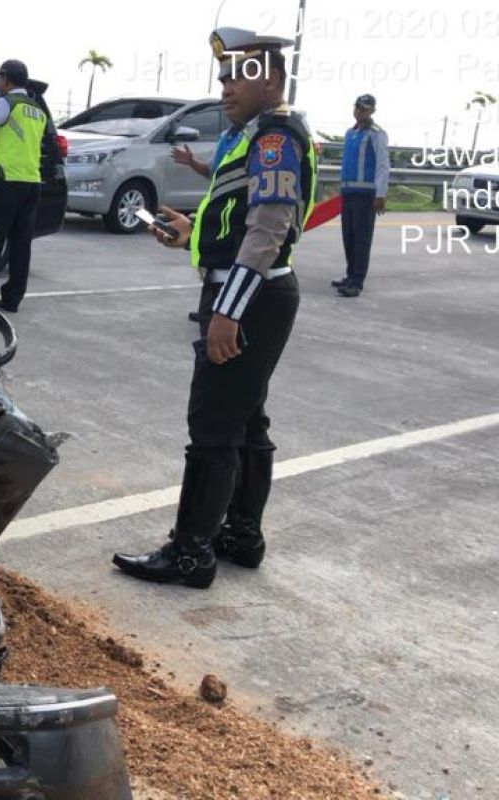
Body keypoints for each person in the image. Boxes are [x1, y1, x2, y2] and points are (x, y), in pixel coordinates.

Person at [112, 27, 318, 588]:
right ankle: (240, 535)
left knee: (212, 426)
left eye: (239, 75)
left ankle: (190, 554)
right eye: (224, 75)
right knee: (246, 418)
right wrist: (189, 231)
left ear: (271, 78)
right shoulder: (253, 135)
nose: (226, 85)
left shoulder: (274, 138)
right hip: (256, 292)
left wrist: (227, 311)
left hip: (250, 296)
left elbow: (269, 230)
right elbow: (238, 216)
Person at [0, 59, 46, 313]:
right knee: (20, 244)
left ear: (5, 78)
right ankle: (12, 298)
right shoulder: (37, 109)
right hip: (31, 182)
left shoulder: (6, 104)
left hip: (5, 183)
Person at [172, 124, 244, 322]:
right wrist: (192, 162)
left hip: (233, 210)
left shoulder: (250, 139)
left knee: (225, 260)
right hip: (215, 204)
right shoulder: (225, 137)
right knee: (208, 261)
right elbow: (211, 171)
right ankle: (207, 309)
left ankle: (220, 313)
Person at [333, 94, 388, 297]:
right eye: (358, 108)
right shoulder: (350, 133)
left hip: (366, 194)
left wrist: (380, 193)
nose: (360, 112)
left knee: (361, 239)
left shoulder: (376, 134)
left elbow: (383, 164)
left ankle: (357, 281)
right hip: (348, 192)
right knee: (348, 236)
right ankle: (350, 275)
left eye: (365, 109)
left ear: (372, 111)